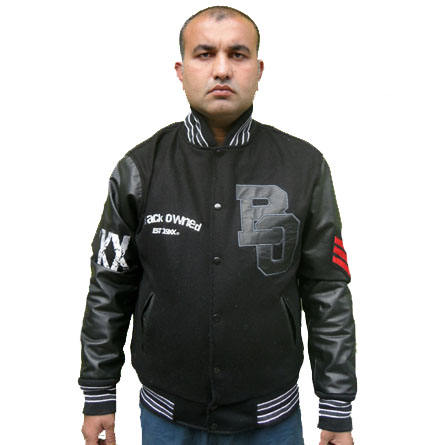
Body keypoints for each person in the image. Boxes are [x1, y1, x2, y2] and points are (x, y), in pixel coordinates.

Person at [79, 6, 356, 445]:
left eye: (238, 54)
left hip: (271, 419)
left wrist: (337, 407)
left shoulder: (304, 167)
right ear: (181, 70)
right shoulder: (139, 169)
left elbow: (327, 290)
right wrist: (98, 393)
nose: (222, 69)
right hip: (167, 417)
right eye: (205, 54)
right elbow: (110, 287)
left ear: (259, 70)